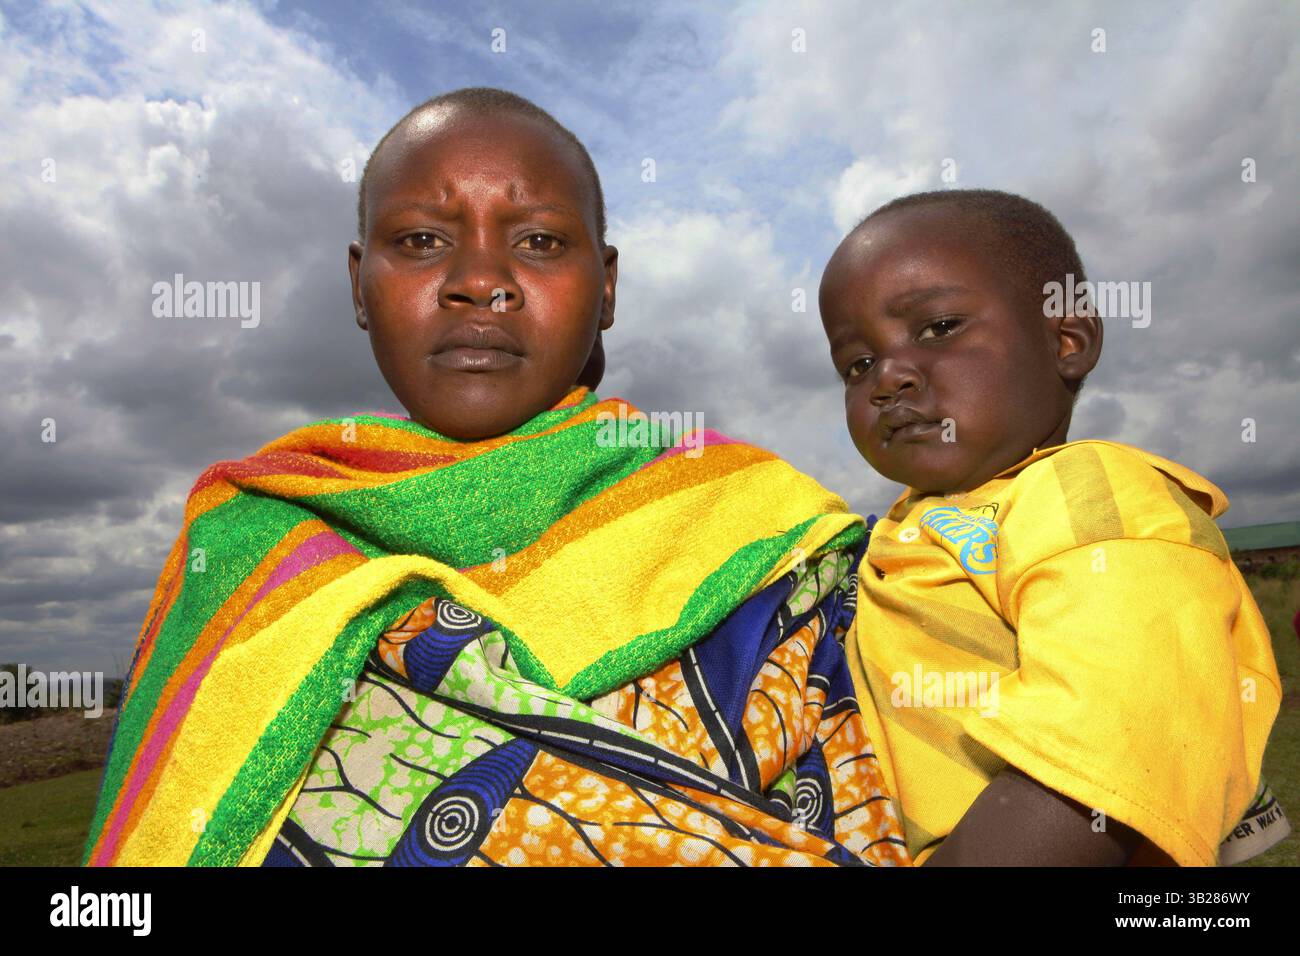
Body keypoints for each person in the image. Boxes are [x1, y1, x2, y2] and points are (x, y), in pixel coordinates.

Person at [83, 88, 908, 867]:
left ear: (607, 286)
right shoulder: (255, 536)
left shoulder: (751, 520)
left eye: (540, 241)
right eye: (421, 241)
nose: (480, 280)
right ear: (358, 284)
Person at [818, 188, 1286, 865]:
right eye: (856, 365)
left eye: (938, 327)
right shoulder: (897, 526)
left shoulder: (1096, 495)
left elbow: (1112, 754)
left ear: (1067, 340)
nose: (888, 378)